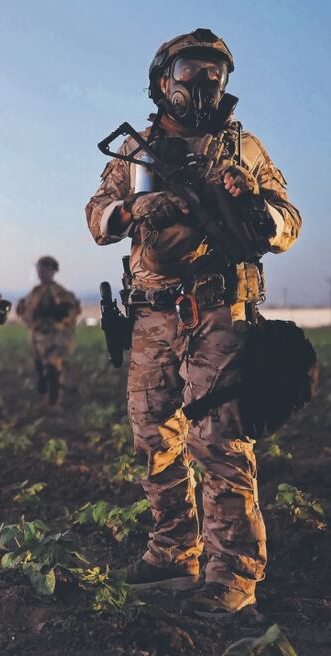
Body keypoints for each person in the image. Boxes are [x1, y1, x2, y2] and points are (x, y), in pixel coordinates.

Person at [85, 29, 301, 617]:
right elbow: (97, 217)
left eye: (214, 74)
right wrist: (132, 208)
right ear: (163, 81)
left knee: (219, 440)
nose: (203, 83)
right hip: (150, 314)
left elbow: (289, 220)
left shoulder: (242, 148)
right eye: (190, 71)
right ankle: (172, 552)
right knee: (154, 437)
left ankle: (233, 574)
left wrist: (255, 205)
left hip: (217, 310)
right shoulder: (135, 149)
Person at [15, 256, 80, 406]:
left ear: (52, 270)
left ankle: (53, 403)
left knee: (52, 370)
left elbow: (70, 312)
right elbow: (25, 311)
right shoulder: (36, 291)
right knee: (40, 370)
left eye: (43, 268)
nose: (40, 272)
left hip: (53, 338)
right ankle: (44, 401)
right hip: (37, 338)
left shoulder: (58, 292)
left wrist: (54, 312)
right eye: (39, 268)